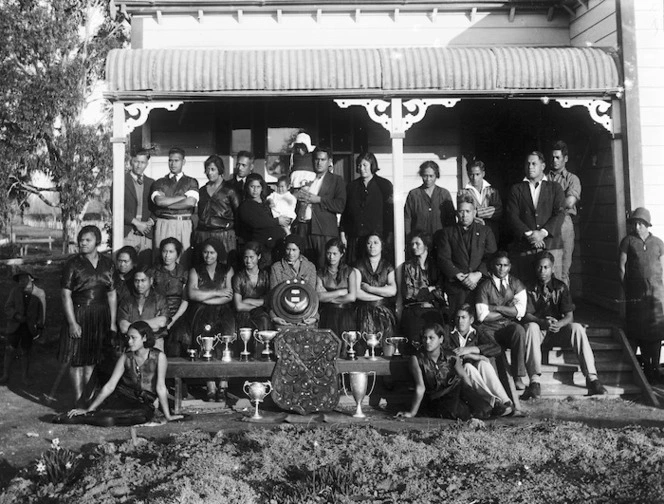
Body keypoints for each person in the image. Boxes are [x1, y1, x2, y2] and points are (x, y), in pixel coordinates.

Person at [521, 252, 607, 400]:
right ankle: (535, 381)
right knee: (531, 327)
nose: (543, 271)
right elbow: (526, 315)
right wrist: (542, 322)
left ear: (552, 269)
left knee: (577, 328)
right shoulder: (528, 287)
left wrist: (559, 324)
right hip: (538, 332)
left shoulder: (560, 287)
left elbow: (569, 316)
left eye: (546, 267)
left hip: (556, 331)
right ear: (535, 269)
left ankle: (592, 378)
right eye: (540, 267)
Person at [64, 322, 182, 425]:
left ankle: (102, 419)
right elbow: (110, 385)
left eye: (133, 338)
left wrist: (168, 416)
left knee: (142, 415)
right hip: (124, 396)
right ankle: (91, 416)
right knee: (109, 410)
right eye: (128, 337)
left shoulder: (159, 357)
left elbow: (160, 387)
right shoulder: (125, 357)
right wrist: (89, 409)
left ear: (144, 338)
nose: (129, 341)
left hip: (144, 401)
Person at [59, 225, 117, 407]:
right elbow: (65, 294)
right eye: (81, 240)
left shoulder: (108, 263)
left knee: (92, 359)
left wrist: (112, 322)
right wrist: (72, 322)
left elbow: (112, 294)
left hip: (100, 316)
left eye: (88, 240)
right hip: (79, 313)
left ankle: (89, 399)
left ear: (97, 242)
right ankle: (78, 401)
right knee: (76, 360)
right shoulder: (73, 264)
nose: (83, 243)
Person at [396, 323, 494, 420]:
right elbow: (420, 387)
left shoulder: (451, 356)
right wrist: (412, 413)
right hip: (438, 399)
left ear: (441, 339)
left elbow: (464, 377)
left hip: (456, 390)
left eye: (431, 338)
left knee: (483, 409)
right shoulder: (417, 359)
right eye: (424, 338)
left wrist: (471, 396)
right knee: (457, 413)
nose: (427, 341)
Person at [185, 238, 235, 401]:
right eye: (205, 252)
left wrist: (205, 295)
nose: (208, 255)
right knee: (205, 345)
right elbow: (192, 294)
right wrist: (216, 293)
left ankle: (223, 385)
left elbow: (228, 296)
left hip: (223, 311)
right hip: (201, 311)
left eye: (212, 252)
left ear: (218, 253)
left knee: (224, 343)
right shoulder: (195, 270)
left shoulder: (227, 270)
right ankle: (210, 386)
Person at [506, 151, 565, 285]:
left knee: (554, 285)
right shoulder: (517, 189)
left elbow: (560, 213)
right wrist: (531, 235)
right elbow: (512, 216)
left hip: (551, 245)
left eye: (534, 163)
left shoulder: (555, 188)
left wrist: (542, 233)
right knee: (526, 285)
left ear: (543, 166)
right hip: (526, 247)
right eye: (527, 164)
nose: (530, 167)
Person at [619, 207, 664, 381]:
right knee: (638, 331)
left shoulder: (658, 243)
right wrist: (627, 289)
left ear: (647, 225)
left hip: (656, 297)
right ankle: (643, 368)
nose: (637, 227)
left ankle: (655, 368)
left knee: (656, 332)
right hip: (636, 296)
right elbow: (621, 268)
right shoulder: (628, 241)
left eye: (641, 223)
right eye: (635, 223)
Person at [444, 304, 514, 416]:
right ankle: (493, 402)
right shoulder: (449, 331)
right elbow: (446, 351)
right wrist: (466, 355)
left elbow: (496, 348)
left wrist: (471, 351)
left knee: (483, 364)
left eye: (463, 317)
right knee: (468, 368)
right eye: (457, 317)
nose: (460, 321)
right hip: (456, 372)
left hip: (474, 369)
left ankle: (506, 401)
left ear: (471, 320)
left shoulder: (477, 331)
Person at [474, 251, 529, 390]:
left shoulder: (516, 283)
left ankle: (518, 376)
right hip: (488, 327)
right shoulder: (485, 286)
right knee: (494, 347)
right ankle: (500, 381)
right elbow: (483, 316)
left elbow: (520, 311)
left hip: (507, 326)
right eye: (499, 265)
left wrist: (496, 308)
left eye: (505, 265)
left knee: (519, 330)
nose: (502, 268)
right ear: (493, 265)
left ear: (510, 266)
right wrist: (508, 311)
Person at [437, 195, 497, 317]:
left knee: (480, 320)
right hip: (457, 286)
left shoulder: (486, 231)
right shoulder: (447, 233)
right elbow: (444, 258)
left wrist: (478, 274)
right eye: (461, 211)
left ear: (474, 212)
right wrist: (459, 276)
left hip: (480, 285)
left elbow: (491, 256)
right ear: (456, 213)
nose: (464, 215)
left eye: (468, 211)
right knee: (457, 320)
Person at [293, 146, 347, 269]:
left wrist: (319, 200)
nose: (319, 163)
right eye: (317, 159)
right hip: (304, 228)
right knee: (305, 267)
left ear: (329, 161)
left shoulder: (336, 180)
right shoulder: (308, 179)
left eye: (323, 160)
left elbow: (340, 205)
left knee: (323, 267)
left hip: (324, 230)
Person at [340, 152, 394, 265]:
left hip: (376, 238)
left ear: (372, 165)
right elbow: (346, 212)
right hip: (355, 236)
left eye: (365, 165)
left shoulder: (384, 185)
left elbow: (390, 213)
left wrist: (389, 235)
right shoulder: (351, 187)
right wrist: (342, 233)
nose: (362, 168)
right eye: (359, 165)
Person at [150, 147, 199, 265]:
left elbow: (190, 202)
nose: (173, 164)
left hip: (183, 223)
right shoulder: (159, 182)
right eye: (170, 160)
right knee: (161, 257)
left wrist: (167, 203)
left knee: (183, 259)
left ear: (183, 162)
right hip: (164, 223)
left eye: (176, 160)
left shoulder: (191, 182)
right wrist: (182, 197)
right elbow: (159, 202)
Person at [0, 269, 45, 385]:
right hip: (15, 325)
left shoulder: (39, 293)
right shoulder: (15, 291)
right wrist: (16, 315)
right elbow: (7, 307)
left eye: (25, 278)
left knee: (25, 351)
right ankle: (5, 375)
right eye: (20, 279)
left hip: (29, 327)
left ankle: (25, 377)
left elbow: (42, 312)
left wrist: (40, 326)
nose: (22, 281)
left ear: (31, 278)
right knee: (9, 349)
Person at [355, 233, 397, 356]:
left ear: (382, 246)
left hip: (385, 313)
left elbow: (392, 290)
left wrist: (369, 288)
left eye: (375, 243)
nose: (372, 246)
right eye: (369, 243)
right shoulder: (359, 265)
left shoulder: (388, 266)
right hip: (364, 313)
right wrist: (382, 294)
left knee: (387, 345)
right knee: (363, 349)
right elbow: (357, 293)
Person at [401, 231, 445, 346]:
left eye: (417, 244)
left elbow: (440, 291)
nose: (414, 247)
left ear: (426, 245)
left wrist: (422, 292)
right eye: (412, 244)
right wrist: (429, 289)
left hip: (433, 311)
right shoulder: (408, 266)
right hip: (414, 312)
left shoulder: (436, 266)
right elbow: (408, 293)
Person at [193, 155, 240, 264]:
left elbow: (238, 214)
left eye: (213, 169)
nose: (209, 173)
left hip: (224, 234)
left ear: (220, 170)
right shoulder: (202, 191)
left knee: (224, 265)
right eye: (207, 169)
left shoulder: (230, 190)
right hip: (203, 235)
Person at [548, 141, 581, 287]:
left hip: (564, 223)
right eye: (553, 157)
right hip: (547, 222)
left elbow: (569, 202)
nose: (554, 161)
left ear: (565, 159)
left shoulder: (572, 179)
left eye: (558, 157)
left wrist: (549, 202)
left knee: (563, 270)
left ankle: (563, 307)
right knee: (548, 266)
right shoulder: (544, 178)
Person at [237, 173, 288, 266]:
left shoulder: (267, 201)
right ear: (247, 187)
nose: (255, 190)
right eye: (252, 186)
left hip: (277, 244)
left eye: (258, 187)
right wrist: (277, 221)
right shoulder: (246, 206)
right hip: (262, 247)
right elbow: (257, 222)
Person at [269, 234, 318, 329]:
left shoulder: (310, 267)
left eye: (294, 250)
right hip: (282, 316)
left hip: (306, 315)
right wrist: (274, 317)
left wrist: (314, 317)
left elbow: (313, 295)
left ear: (300, 250)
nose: (290, 253)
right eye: (288, 249)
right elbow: (273, 296)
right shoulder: (276, 268)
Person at [117, 266, 170, 351]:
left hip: (155, 343)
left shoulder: (160, 299)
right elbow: (123, 327)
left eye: (143, 281)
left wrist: (133, 324)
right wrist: (151, 324)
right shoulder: (126, 301)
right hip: (131, 343)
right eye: (137, 281)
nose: (139, 285)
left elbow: (162, 322)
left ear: (151, 281)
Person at [150, 238, 189, 351]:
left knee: (177, 342)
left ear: (177, 254)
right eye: (164, 251)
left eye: (171, 252)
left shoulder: (183, 273)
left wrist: (173, 319)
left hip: (177, 315)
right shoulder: (153, 271)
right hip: (157, 313)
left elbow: (185, 301)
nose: (167, 255)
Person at [316, 238, 358, 341]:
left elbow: (352, 297)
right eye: (329, 253)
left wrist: (329, 296)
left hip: (346, 315)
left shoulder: (350, 271)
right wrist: (340, 292)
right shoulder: (320, 273)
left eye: (335, 254)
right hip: (327, 315)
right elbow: (319, 297)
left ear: (342, 254)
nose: (331, 257)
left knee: (346, 347)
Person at [404, 160, 455, 240]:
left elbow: (451, 220)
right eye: (425, 176)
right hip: (419, 241)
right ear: (421, 175)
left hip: (441, 240)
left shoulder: (444, 194)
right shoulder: (413, 194)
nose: (428, 179)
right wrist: (408, 238)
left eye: (431, 176)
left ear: (436, 176)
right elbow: (407, 219)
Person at [233, 241, 272, 344]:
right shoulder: (239, 277)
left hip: (262, 313)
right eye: (246, 257)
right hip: (244, 313)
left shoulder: (265, 275)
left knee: (264, 319)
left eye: (251, 257)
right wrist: (259, 304)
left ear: (258, 257)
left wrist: (247, 300)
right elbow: (239, 306)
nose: (248, 260)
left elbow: (268, 301)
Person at [123, 149, 155, 265]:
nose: (139, 165)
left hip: (146, 233)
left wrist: (150, 221)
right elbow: (116, 208)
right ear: (131, 161)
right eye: (136, 161)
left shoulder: (152, 183)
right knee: (127, 266)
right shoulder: (121, 181)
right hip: (129, 231)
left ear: (147, 163)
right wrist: (137, 223)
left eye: (143, 162)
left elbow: (156, 207)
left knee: (145, 268)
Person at [460, 160, 503, 244]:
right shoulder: (463, 193)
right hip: (472, 235)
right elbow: (464, 215)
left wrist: (477, 212)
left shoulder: (492, 191)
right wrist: (486, 212)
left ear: (483, 174)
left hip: (491, 233)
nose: (474, 178)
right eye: (471, 174)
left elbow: (498, 211)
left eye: (477, 174)